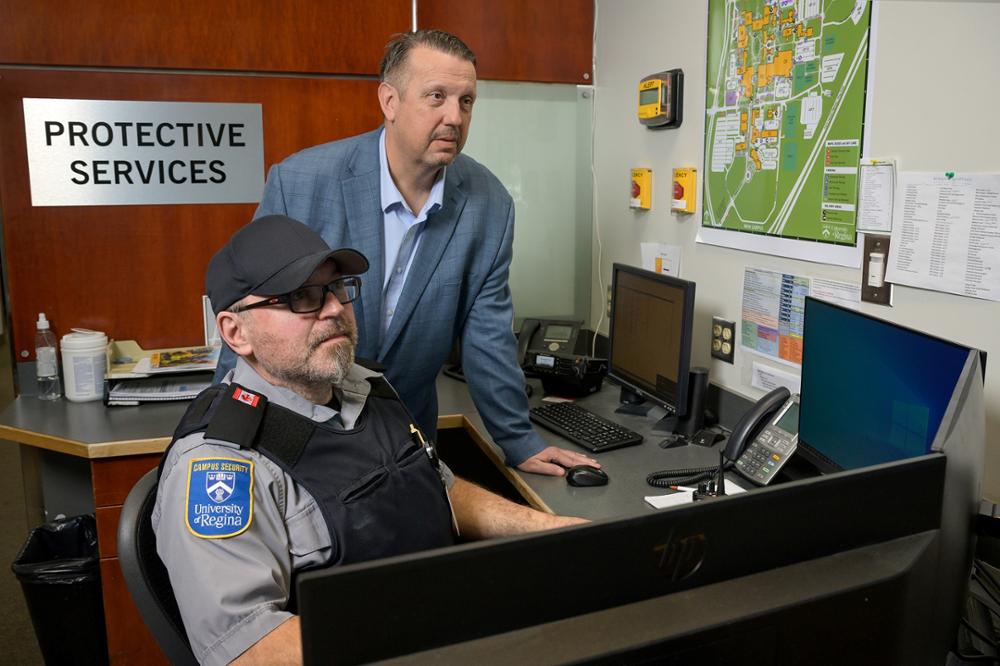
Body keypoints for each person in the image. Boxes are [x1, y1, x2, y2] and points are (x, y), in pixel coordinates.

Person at [154, 215, 587, 665]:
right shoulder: (219, 464)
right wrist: (434, 636)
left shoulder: (368, 387)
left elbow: (439, 490)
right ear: (235, 332)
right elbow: (248, 647)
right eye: (301, 297)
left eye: (336, 288)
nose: (334, 309)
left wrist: (557, 534)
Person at [214, 29, 597, 477]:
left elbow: (487, 337)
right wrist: (226, 437)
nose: (454, 117)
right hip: (299, 431)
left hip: (405, 433)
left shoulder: (489, 204)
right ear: (389, 102)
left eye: (466, 101)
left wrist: (518, 441)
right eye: (436, 96)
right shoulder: (300, 182)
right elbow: (248, 317)